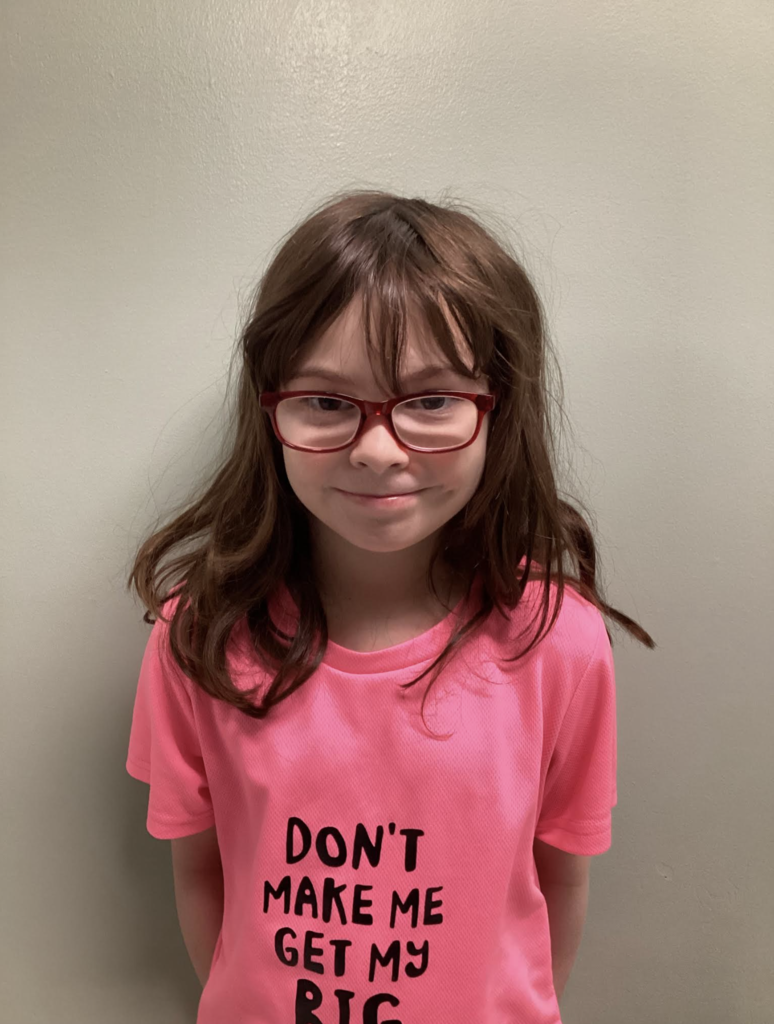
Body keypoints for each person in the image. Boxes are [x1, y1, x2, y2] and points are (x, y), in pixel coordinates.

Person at [125, 189, 654, 1024]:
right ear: (271, 410)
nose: (378, 450)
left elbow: (560, 881)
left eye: (433, 399)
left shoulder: (560, 644)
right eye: (328, 402)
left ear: (497, 411)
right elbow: (199, 870)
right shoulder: (198, 635)